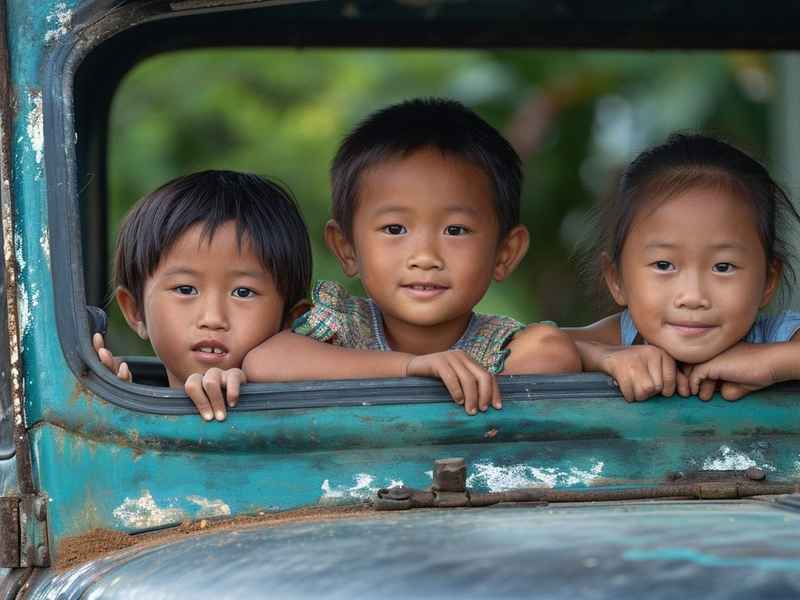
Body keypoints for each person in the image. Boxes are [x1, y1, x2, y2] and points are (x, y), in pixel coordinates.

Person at [243, 98, 581, 415]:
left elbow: (551, 353)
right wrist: (411, 368)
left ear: (505, 254)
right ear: (346, 249)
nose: (425, 257)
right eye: (394, 229)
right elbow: (265, 362)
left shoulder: (500, 347)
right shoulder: (340, 327)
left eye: (455, 230)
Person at [567, 133, 800, 402]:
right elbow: (528, 348)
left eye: (723, 267)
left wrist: (771, 362)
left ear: (768, 282)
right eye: (664, 265)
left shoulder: (778, 338)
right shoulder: (618, 338)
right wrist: (601, 356)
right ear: (617, 280)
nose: (693, 297)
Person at [94, 170, 312, 421]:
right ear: (135, 311)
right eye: (185, 289)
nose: (213, 318)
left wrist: (244, 394)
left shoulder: (303, 412)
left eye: (243, 292)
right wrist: (115, 412)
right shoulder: (120, 411)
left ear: (290, 320)